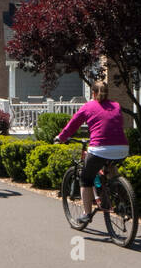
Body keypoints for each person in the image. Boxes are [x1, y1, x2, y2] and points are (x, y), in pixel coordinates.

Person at [55, 80, 129, 227]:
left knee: (85, 178)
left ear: (93, 93)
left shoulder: (88, 106)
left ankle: (86, 214)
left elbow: (73, 125)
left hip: (99, 148)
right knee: (111, 169)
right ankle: (121, 201)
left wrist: (60, 137)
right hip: (122, 148)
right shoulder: (116, 105)